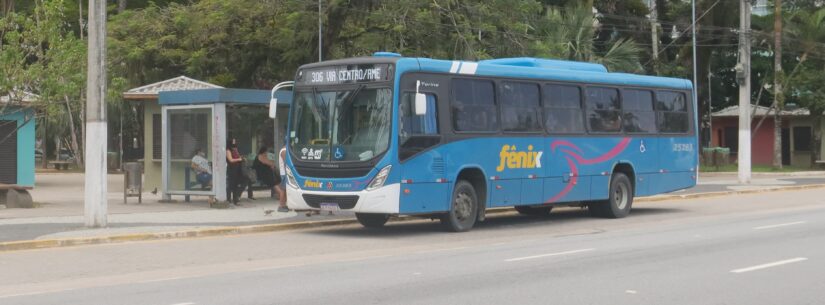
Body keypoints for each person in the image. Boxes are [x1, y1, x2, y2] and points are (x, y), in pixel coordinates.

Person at [253, 146, 288, 212]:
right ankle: (281, 196)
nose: (267, 153)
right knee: (274, 183)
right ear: (263, 152)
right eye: (266, 152)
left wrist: (271, 164)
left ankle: (281, 196)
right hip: (263, 174)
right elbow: (268, 163)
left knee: (276, 181)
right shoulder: (261, 156)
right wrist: (272, 164)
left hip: (266, 173)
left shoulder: (263, 156)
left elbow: (270, 163)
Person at [226, 138, 244, 205]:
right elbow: (230, 160)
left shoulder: (235, 150)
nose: (234, 144)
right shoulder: (228, 150)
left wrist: (240, 157)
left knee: (236, 185)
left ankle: (235, 200)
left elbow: (238, 157)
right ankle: (228, 199)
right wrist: (239, 159)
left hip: (237, 169)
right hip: (231, 169)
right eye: (233, 142)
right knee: (231, 184)